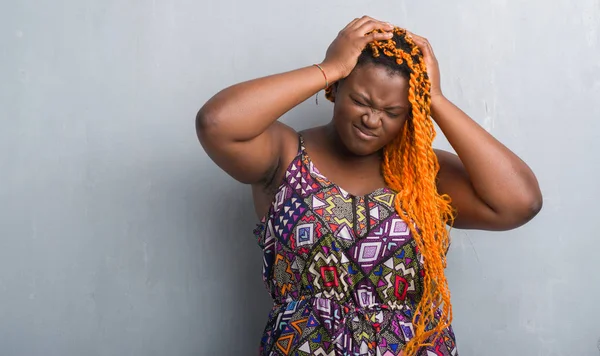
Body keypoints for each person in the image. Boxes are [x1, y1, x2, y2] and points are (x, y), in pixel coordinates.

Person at [196, 15, 542, 356]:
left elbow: (520, 202)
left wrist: (434, 98)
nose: (371, 119)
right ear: (335, 89)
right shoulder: (284, 156)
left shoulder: (423, 174)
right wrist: (329, 67)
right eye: (360, 101)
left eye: (392, 112)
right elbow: (217, 123)